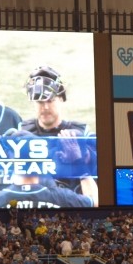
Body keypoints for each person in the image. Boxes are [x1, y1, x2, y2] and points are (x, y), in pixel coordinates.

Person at [18, 66, 97, 195]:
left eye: (50, 100)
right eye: (39, 101)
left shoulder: (82, 133)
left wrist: (79, 162)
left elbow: (98, 192)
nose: (45, 107)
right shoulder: (22, 132)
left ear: (61, 98)